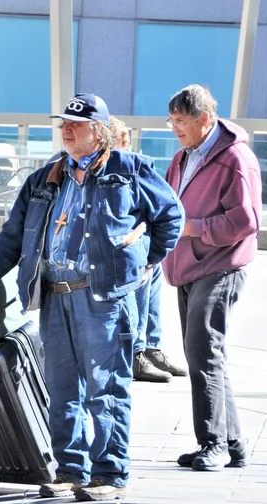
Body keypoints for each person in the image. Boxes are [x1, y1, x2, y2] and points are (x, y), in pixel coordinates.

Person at [0, 94, 184, 501]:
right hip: (55, 296)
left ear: (98, 131)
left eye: (75, 125)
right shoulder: (44, 180)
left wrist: (141, 263)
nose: (66, 130)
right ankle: (70, 470)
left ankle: (110, 473)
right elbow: (12, 238)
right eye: (63, 123)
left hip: (105, 300)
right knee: (62, 389)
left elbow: (171, 217)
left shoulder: (129, 170)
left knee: (106, 386)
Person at [162, 84, 262, 471]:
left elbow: (245, 222)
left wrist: (194, 228)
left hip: (220, 267)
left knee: (204, 352)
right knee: (205, 354)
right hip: (189, 267)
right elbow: (169, 209)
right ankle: (233, 441)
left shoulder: (236, 158)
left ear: (205, 119)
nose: (175, 128)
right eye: (171, 121)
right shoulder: (182, 157)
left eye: (181, 121)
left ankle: (213, 444)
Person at [109, 116, 188, 383]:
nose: (127, 151)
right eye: (122, 144)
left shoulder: (130, 169)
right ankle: (137, 351)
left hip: (135, 244)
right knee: (141, 266)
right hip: (116, 254)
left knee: (151, 272)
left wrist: (153, 255)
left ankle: (151, 346)